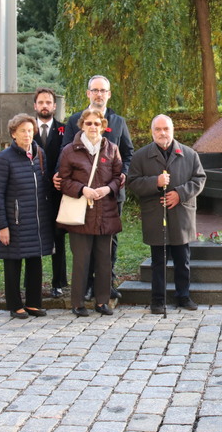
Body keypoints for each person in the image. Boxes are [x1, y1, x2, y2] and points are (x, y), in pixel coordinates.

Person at [60, 75, 133, 300]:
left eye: (103, 90)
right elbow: (66, 152)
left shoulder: (118, 121)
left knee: (109, 241)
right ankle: (88, 285)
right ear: (88, 93)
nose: (99, 94)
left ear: (109, 94)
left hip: (110, 194)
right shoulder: (74, 121)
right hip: (83, 194)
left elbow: (128, 153)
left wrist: (123, 175)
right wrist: (59, 177)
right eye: (95, 90)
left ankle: (106, 283)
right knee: (85, 241)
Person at [127, 114, 207, 314]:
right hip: (155, 215)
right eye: (158, 129)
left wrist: (179, 194)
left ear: (173, 130)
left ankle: (183, 296)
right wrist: (155, 182)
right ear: (152, 132)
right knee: (158, 261)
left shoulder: (189, 154)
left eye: (166, 129)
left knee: (183, 260)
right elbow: (133, 182)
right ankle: (157, 299)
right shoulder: (140, 156)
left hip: (181, 214)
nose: (162, 133)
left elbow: (199, 179)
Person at [58, 108, 123, 317]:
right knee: (81, 260)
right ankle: (77, 303)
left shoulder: (112, 149)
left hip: (105, 211)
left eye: (97, 123)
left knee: (104, 259)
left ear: (103, 126)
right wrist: (82, 189)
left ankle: (102, 301)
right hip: (81, 212)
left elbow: (118, 176)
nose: (93, 127)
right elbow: (63, 180)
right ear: (82, 125)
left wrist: (108, 189)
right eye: (89, 123)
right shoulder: (70, 150)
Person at [0, 113, 54, 319]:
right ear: (13, 134)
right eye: (22, 131)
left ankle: (34, 303)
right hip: (15, 221)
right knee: (13, 263)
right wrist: (2, 225)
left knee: (35, 262)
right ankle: (15, 304)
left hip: (37, 219)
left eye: (30, 131)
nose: (27, 135)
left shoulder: (39, 154)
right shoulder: (4, 158)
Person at [33, 88, 67, 298]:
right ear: (35, 106)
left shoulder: (64, 130)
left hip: (57, 193)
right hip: (34, 192)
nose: (45, 105)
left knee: (58, 238)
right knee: (33, 238)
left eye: (48, 102)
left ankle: (58, 282)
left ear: (55, 106)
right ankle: (32, 283)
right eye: (41, 102)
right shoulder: (26, 129)